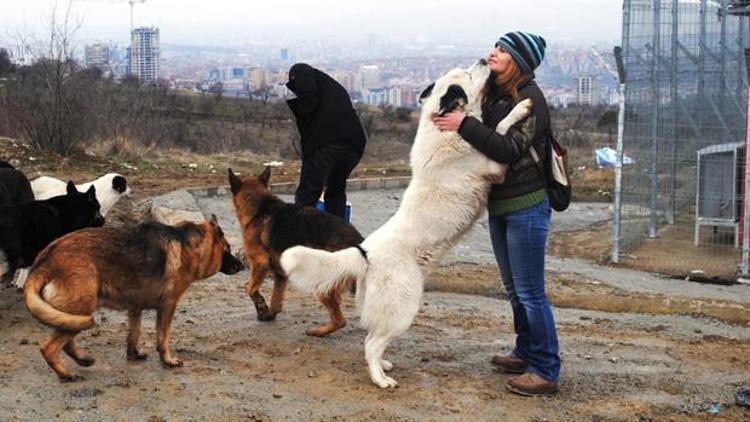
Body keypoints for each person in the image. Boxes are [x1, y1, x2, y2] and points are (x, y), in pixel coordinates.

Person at [432, 31, 560, 396]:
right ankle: (525, 352)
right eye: (495, 46)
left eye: (503, 49)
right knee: (515, 290)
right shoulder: (496, 94)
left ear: (519, 60)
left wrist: (463, 125)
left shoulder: (532, 100)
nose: (494, 53)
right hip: (501, 205)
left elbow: (506, 149)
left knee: (531, 292)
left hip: (528, 205)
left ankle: (546, 369)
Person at [285, 63, 366, 219]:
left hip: (327, 145)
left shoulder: (306, 78)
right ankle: (337, 236)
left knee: (306, 196)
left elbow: (308, 102)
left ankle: (298, 237)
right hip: (353, 146)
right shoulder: (331, 88)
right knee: (335, 191)